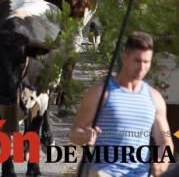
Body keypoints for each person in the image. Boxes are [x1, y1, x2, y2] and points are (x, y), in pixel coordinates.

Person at [70, 31, 174, 177]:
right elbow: (74, 133)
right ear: (125, 58)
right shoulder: (101, 93)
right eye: (137, 61)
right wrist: (85, 136)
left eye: (146, 62)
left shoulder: (155, 98)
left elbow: (165, 140)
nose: (142, 67)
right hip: (104, 173)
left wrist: (162, 161)